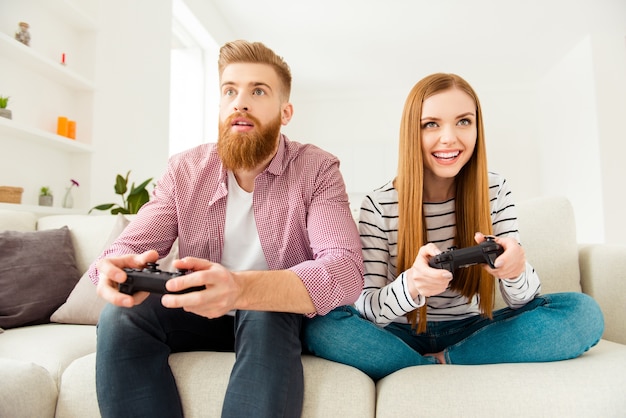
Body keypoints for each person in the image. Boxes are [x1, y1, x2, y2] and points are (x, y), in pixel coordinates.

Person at [89, 40, 364, 418]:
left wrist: (241, 288)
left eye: (258, 91)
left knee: (264, 306)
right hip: (199, 312)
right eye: (230, 91)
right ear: (220, 106)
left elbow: (345, 270)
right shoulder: (183, 170)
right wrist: (114, 270)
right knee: (120, 317)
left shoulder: (317, 169)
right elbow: (125, 249)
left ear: (285, 112)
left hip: (273, 318)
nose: (241, 101)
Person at [302, 72, 604, 381]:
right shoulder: (379, 203)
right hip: (398, 332)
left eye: (463, 122)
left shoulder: (495, 190)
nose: (449, 138)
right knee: (322, 324)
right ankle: (430, 368)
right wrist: (412, 286)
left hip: (471, 331)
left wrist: (514, 270)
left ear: (477, 128)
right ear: (411, 132)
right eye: (431, 124)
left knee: (583, 312)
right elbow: (368, 309)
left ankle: (442, 362)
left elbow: (522, 300)